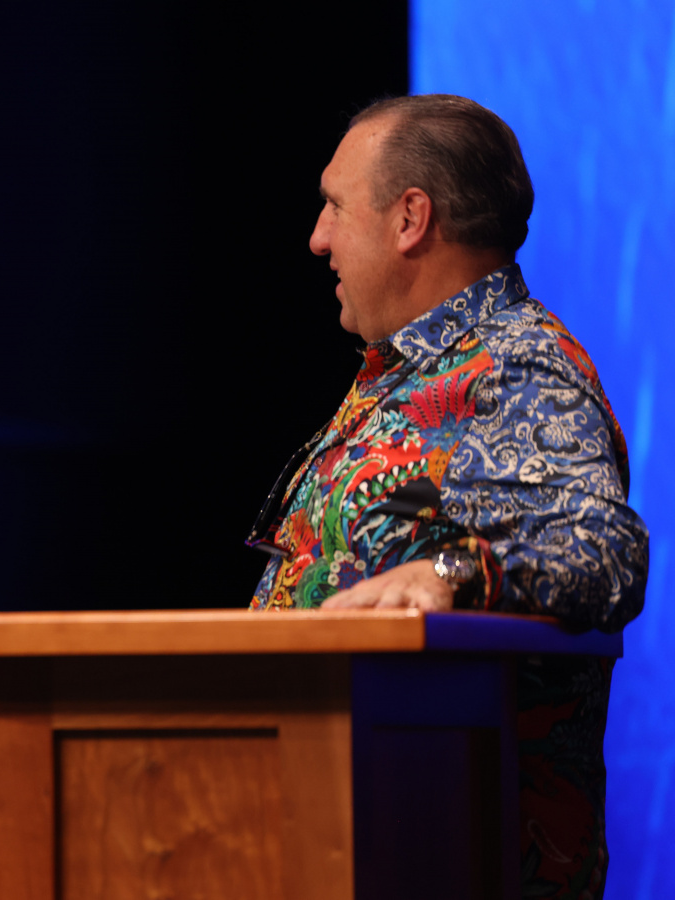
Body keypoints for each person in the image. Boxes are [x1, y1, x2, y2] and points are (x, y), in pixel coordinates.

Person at [246, 95, 647, 897]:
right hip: (336, 836)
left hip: (443, 852)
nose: (318, 237)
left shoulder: (517, 367)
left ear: (410, 219)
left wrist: (450, 576)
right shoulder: (411, 371)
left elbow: (604, 551)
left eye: (334, 206)